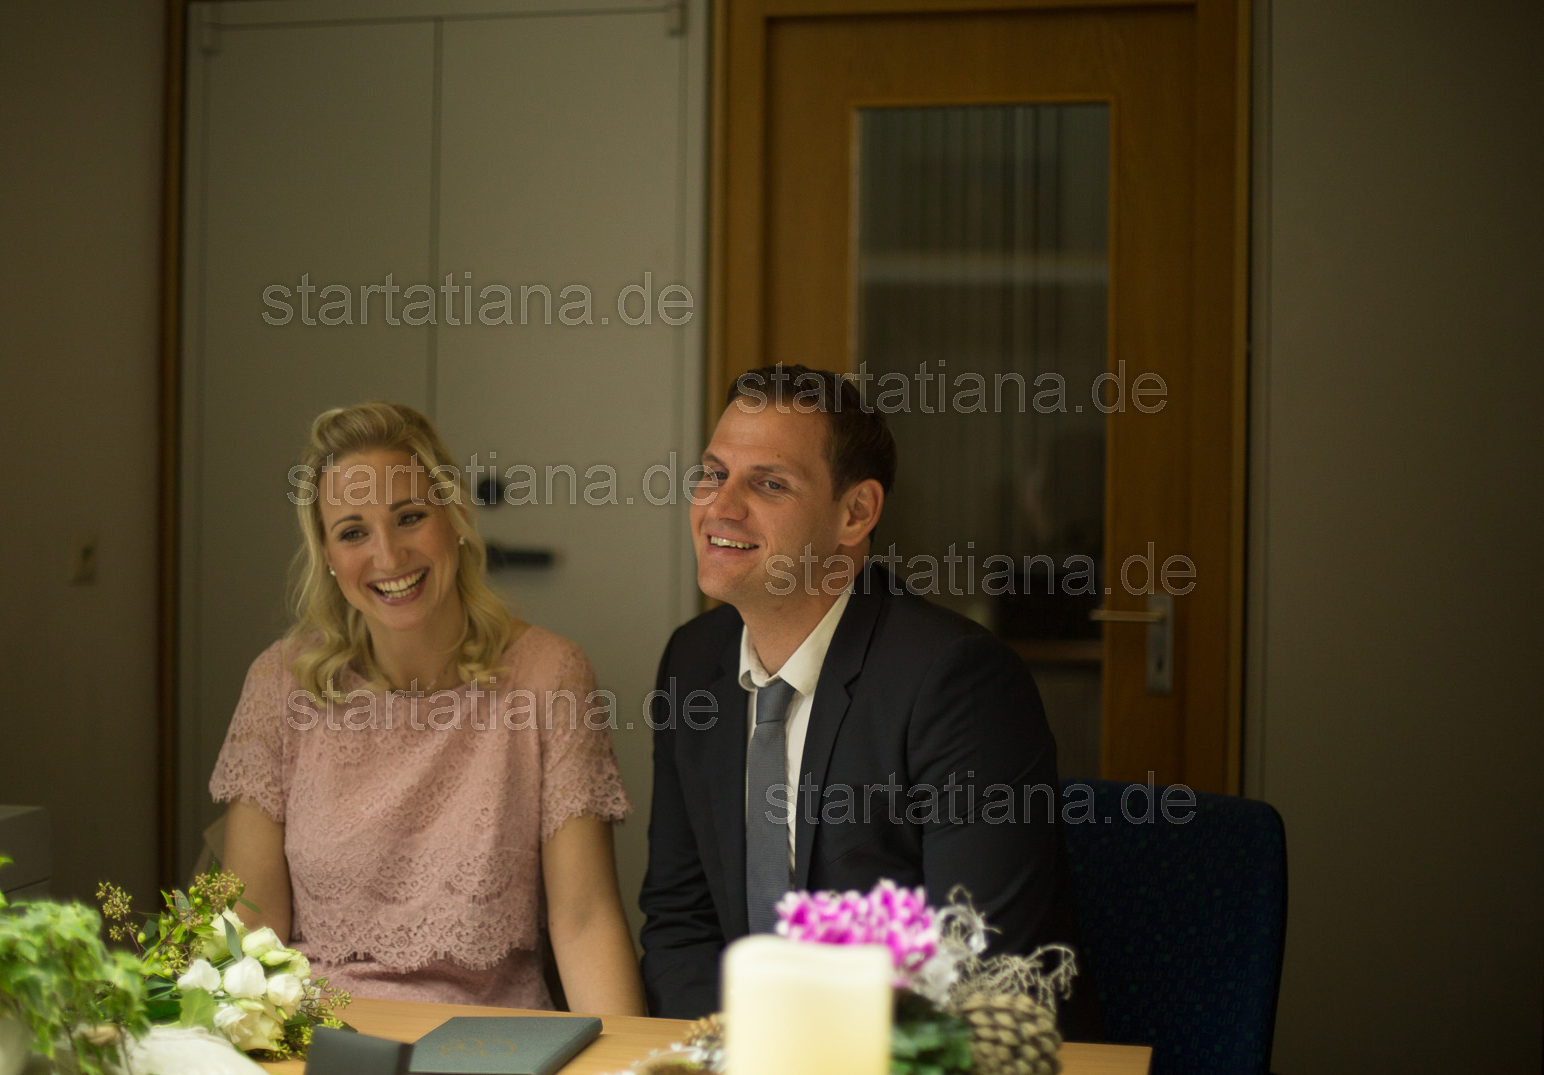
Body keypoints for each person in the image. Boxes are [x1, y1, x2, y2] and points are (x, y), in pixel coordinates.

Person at [638, 365, 1096, 1032]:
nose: (720, 507)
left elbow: (975, 967)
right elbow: (681, 921)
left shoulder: (957, 681)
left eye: (768, 483)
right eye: (713, 473)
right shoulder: (691, 662)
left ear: (855, 513)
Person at [210, 401, 645, 1015]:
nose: (388, 557)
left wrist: (638, 1062)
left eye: (409, 517)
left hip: (491, 1039)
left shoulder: (551, 676)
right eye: (353, 532)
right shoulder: (279, 683)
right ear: (328, 556)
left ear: (456, 516)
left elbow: (584, 921)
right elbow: (250, 932)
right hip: (323, 1035)